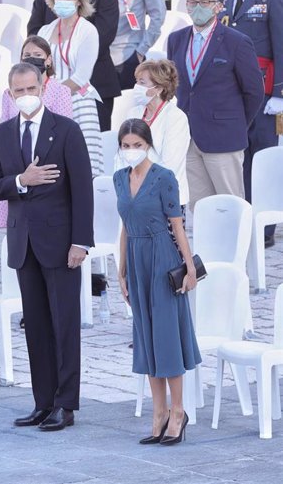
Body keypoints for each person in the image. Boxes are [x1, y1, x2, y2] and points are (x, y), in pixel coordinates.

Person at [0, 62, 94, 432]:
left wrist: (80, 241)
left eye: (31, 88)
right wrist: (21, 181)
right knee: (37, 327)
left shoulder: (66, 130)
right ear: (10, 93)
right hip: (23, 242)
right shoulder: (2, 135)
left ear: (43, 87)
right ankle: (42, 401)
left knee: (63, 324)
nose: (25, 96)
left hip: (61, 244)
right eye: (18, 91)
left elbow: (83, 191)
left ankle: (66, 403)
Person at [114, 118, 202, 445]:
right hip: (136, 259)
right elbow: (125, 226)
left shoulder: (165, 178)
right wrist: (120, 271)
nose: (132, 151)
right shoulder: (119, 179)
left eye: (138, 145)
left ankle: (178, 410)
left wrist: (189, 267)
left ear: (148, 144)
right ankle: (159, 412)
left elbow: (177, 225)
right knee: (146, 337)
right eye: (126, 146)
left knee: (165, 336)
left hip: (162, 256)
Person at [167, 0, 264, 212]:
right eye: (191, 3)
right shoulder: (176, 39)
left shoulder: (236, 41)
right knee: (199, 207)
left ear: (217, 6)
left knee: (231, 205)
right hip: (189, 137)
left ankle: (239, 249)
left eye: (204, 2)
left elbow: (254, 92)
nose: (196, 8)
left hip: (224, 138)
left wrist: (236, 123)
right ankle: (206, 249)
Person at [219, 0, 283, 247]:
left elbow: (281, 45)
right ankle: (242, 219)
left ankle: (265, 227)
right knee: (237, 158)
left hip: (264, 89)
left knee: (263, 156)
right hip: (230, 90)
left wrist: (280, 92)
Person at [0, 35, 74, 230]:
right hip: (16, 167)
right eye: (27, 55)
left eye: (37, 54)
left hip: (47, 167)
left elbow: (65, 131)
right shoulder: (10, 93)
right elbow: (3, 128)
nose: (32, 58)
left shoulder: (59, 91)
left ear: (48, 60)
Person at [28, 0, 120, 131]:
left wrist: (55, 93)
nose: (63, 1)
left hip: (91, 90)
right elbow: (34, 30)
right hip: (48, 96)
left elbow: (104, 36)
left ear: (78, 0)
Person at [37, 0, 104, 176]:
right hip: (49, 106)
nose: (62, 1)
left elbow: (81, 77)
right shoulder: (45, 31)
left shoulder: (88, 31)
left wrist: (51, 96)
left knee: (85, 170)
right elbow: (37, 68)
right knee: (55, 167)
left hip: (80, 104)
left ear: (79, 0)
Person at [123, 59, 190, 210]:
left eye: (142, 83)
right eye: (136, 81)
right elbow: (121, 154)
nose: (136, 87)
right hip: (133, 197)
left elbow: (170, 164)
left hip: (165, 199)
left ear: (158, 88)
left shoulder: (175, 118)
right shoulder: (133, 113)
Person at [107, 0, 166, 90]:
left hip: (130, 55)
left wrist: (141, 50)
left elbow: (158, 15)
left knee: (128, 106)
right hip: (100, 55)